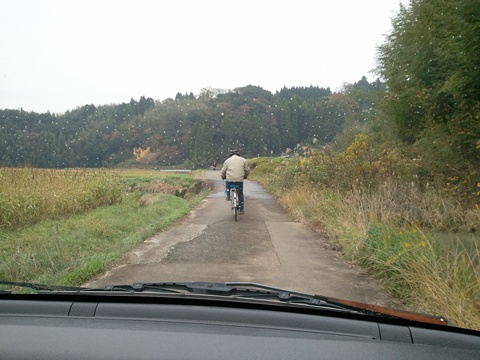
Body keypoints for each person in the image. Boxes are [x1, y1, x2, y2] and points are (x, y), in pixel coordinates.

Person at [220, 149, 250, 214]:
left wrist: (223, 176)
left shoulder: (227, 161)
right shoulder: (243, 160)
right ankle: (241, 209)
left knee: (227, 183)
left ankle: (228, 195)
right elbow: (247, 170)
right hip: (239, 180)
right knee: (240, 193)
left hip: (230, 179)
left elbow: (223, 171)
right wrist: (245, 176)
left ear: (230, 155)